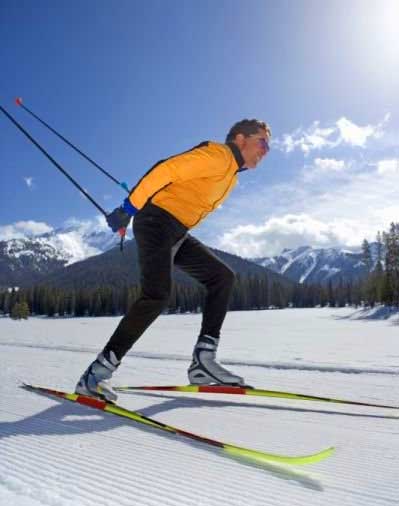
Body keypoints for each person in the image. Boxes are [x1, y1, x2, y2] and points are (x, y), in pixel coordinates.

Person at [75, 119, 271, 401]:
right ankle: (96, 375)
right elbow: (166, 169)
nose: (265, 151)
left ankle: (203, 362)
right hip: (156, 221)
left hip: (175, 231)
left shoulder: (231, 175)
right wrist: (128, 208)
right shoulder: (218, 156)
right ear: (241, 139)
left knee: (222, 277)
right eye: (262, 143)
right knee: (156, 295)